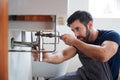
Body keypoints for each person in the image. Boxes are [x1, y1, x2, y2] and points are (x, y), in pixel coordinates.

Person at [33, 10, 120, 80]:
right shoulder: (80, 40)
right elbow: (63, 55)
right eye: (73, 30)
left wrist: (75, 42)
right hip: (83, 75)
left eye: (78, 29)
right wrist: (48, 57)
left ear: (90, 25)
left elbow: (104, 55)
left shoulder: (111, 35)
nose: (76, 34)